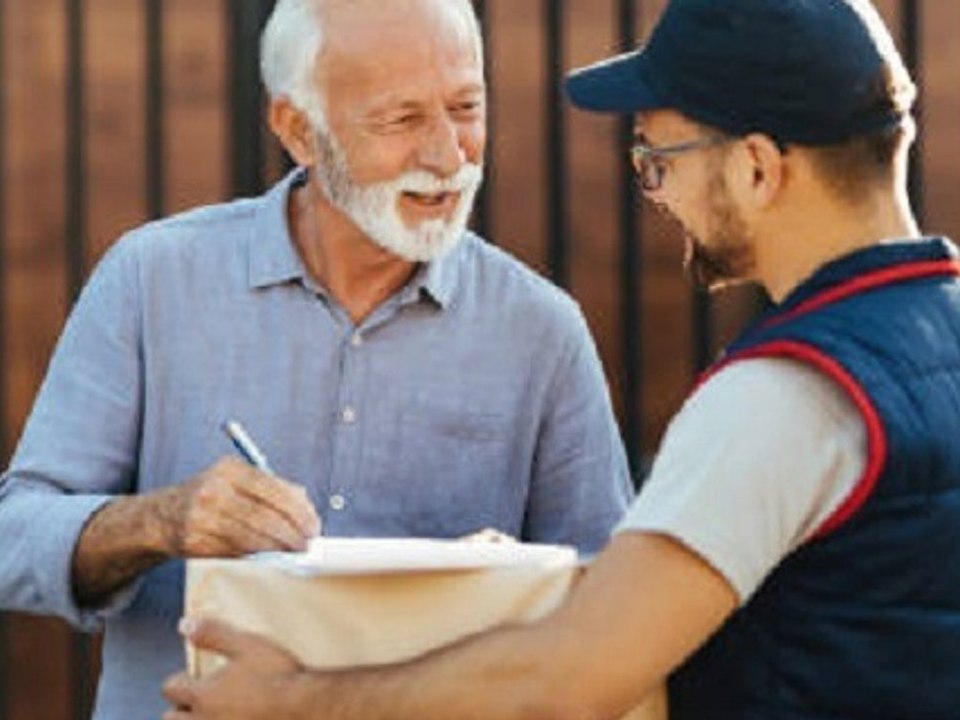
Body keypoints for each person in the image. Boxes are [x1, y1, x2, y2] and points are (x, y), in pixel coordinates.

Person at [163, 0, 960, 718]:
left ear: (756, 166)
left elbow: (571, 676)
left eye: (658, 161)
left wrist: (292, 702)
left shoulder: (785, 393)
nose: (662, 197)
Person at [0, 0, 633, 718]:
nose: (449, 156)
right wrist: (159, 522)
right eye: (402, 120)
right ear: (298, 130)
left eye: (465, 107)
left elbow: (608, 601)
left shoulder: (540, 328)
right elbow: (13, 537)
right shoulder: (152, 280)